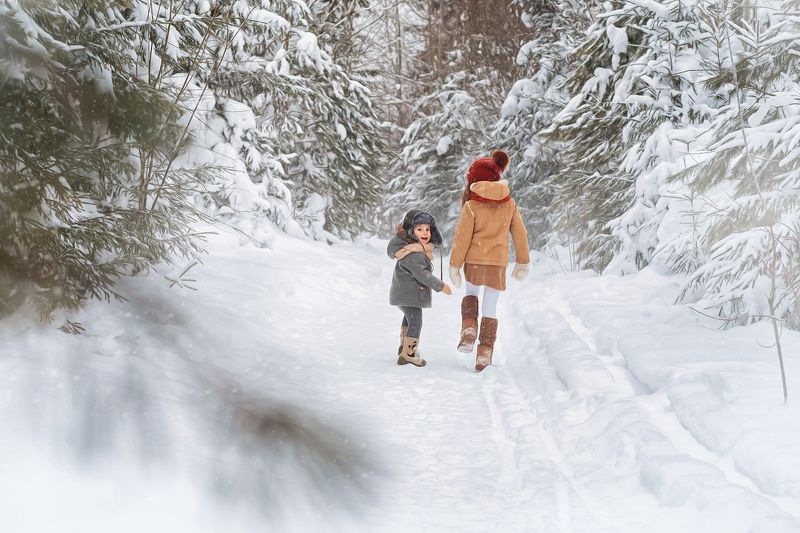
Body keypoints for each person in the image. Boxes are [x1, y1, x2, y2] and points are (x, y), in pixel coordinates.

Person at [449, 151, 530, 371]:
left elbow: (462, 237)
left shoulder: (471, 206)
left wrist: (455, 264)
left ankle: (468, 330)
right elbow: (520, 233)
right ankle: (484, 353)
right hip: (497, 263)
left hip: (475, 260)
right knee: (490, 306)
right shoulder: (509, 204)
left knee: (471, 294)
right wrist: (522, 261)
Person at [387, 210, 452, 367]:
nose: (425, 233)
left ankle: (404, 347)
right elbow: (422, 275)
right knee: (416, 321)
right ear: (411, 232)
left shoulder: (412, 248)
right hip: (408, 294)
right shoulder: (413, 253)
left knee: (409, 318)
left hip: (404, 294)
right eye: (419, 229)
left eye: (427, 229)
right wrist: (441, 286)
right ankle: (409, 354)